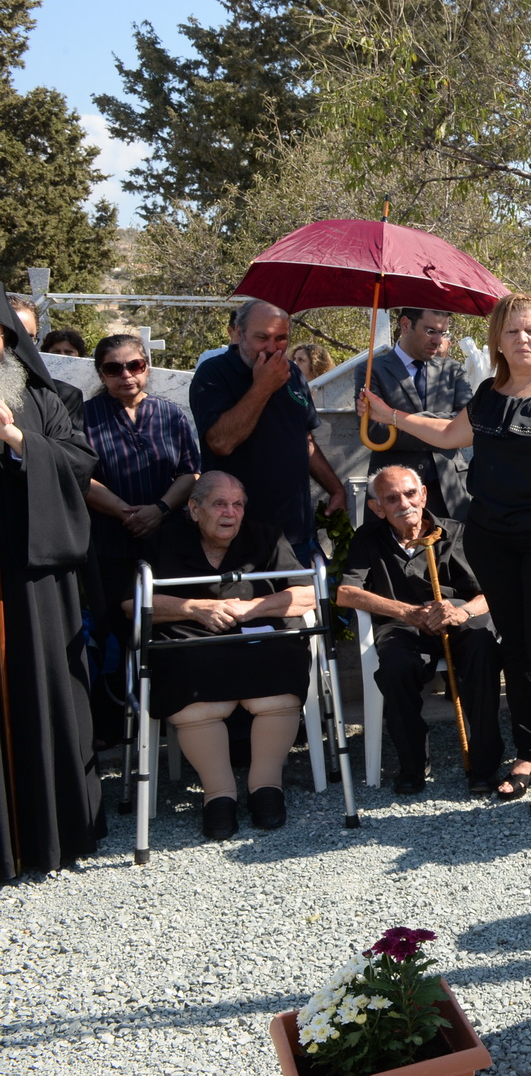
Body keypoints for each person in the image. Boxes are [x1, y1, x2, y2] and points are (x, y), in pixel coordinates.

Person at [361, 292, 531, 815]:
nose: (523, 340)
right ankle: (529, 753)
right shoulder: (490, 393)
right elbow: (448, 433)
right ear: (498, 339)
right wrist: (389, 414)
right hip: (492, 541)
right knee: (513, 650)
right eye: (513, 331)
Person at [139, 471, 315, 841]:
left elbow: (306, 594)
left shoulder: (266, 537)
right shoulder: (164, 540)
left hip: (257, 637)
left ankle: (266, 786)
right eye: (219, 503)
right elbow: (132, 602)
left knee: (281, 667)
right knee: (187, 670)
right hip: (192, 639)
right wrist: (195, 608)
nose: (230, 513)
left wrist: (254, 608)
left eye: (237, 505)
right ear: (193, 508)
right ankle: (218, 795)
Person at [0, 302, 104, 881]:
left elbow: (77, 462)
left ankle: (45, 837)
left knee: (42, 694)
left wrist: (17, 438)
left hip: (31, 579)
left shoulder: (41, 398)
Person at [338, 465, 501, 795]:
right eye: (392, 498)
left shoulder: (455, 532)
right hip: (403, 624)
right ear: (376, 508)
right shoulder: (367, 539)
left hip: (458, 617)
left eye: (411, 494)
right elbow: (346, 593)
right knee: (395, 667)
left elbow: (490, 593)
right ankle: (412, 763)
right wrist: (407, 612)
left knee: (484, 649)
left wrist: (462, 611)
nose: (404, 503)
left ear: (424, 494)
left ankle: (485, 763)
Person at [81, 334, 201, 747]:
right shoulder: (83, 416)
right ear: (101, 373)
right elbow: (81, 477)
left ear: (146, 366)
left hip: (167, 541)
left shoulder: (170, 415)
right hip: (109, 543)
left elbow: (190, 471)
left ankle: (177, 719)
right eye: (113, 369)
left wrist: (160, 510)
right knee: (117, 632)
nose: (126, 376)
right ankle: (117, 727)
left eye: (134, 365)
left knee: (169, 627)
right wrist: (124, 511)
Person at [189, 299, 347, 563]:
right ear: (238, 334)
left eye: (281, 338)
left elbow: (304, 439)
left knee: (309, 602)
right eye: (262, 338)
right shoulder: (214, 373)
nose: (273, 348)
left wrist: (336, 489)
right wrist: (262, 387)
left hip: (296, 531)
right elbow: (221, 442)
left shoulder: (293, 373)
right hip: (240, 534)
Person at [364, 308, 476, 522]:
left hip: (450, 494)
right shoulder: (371, 370)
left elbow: (466, 425)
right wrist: (443, 429)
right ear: (405, 325)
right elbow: (375, 433)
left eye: (443, 333)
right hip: (396, 499)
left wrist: (393, 417)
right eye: (431, 331)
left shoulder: (453, 370)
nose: (438, 340)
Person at [7, 299, 84, 427]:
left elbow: (66, 445)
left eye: (29, 338)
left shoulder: (61, 396)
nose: (21, 345)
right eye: (12, 335)